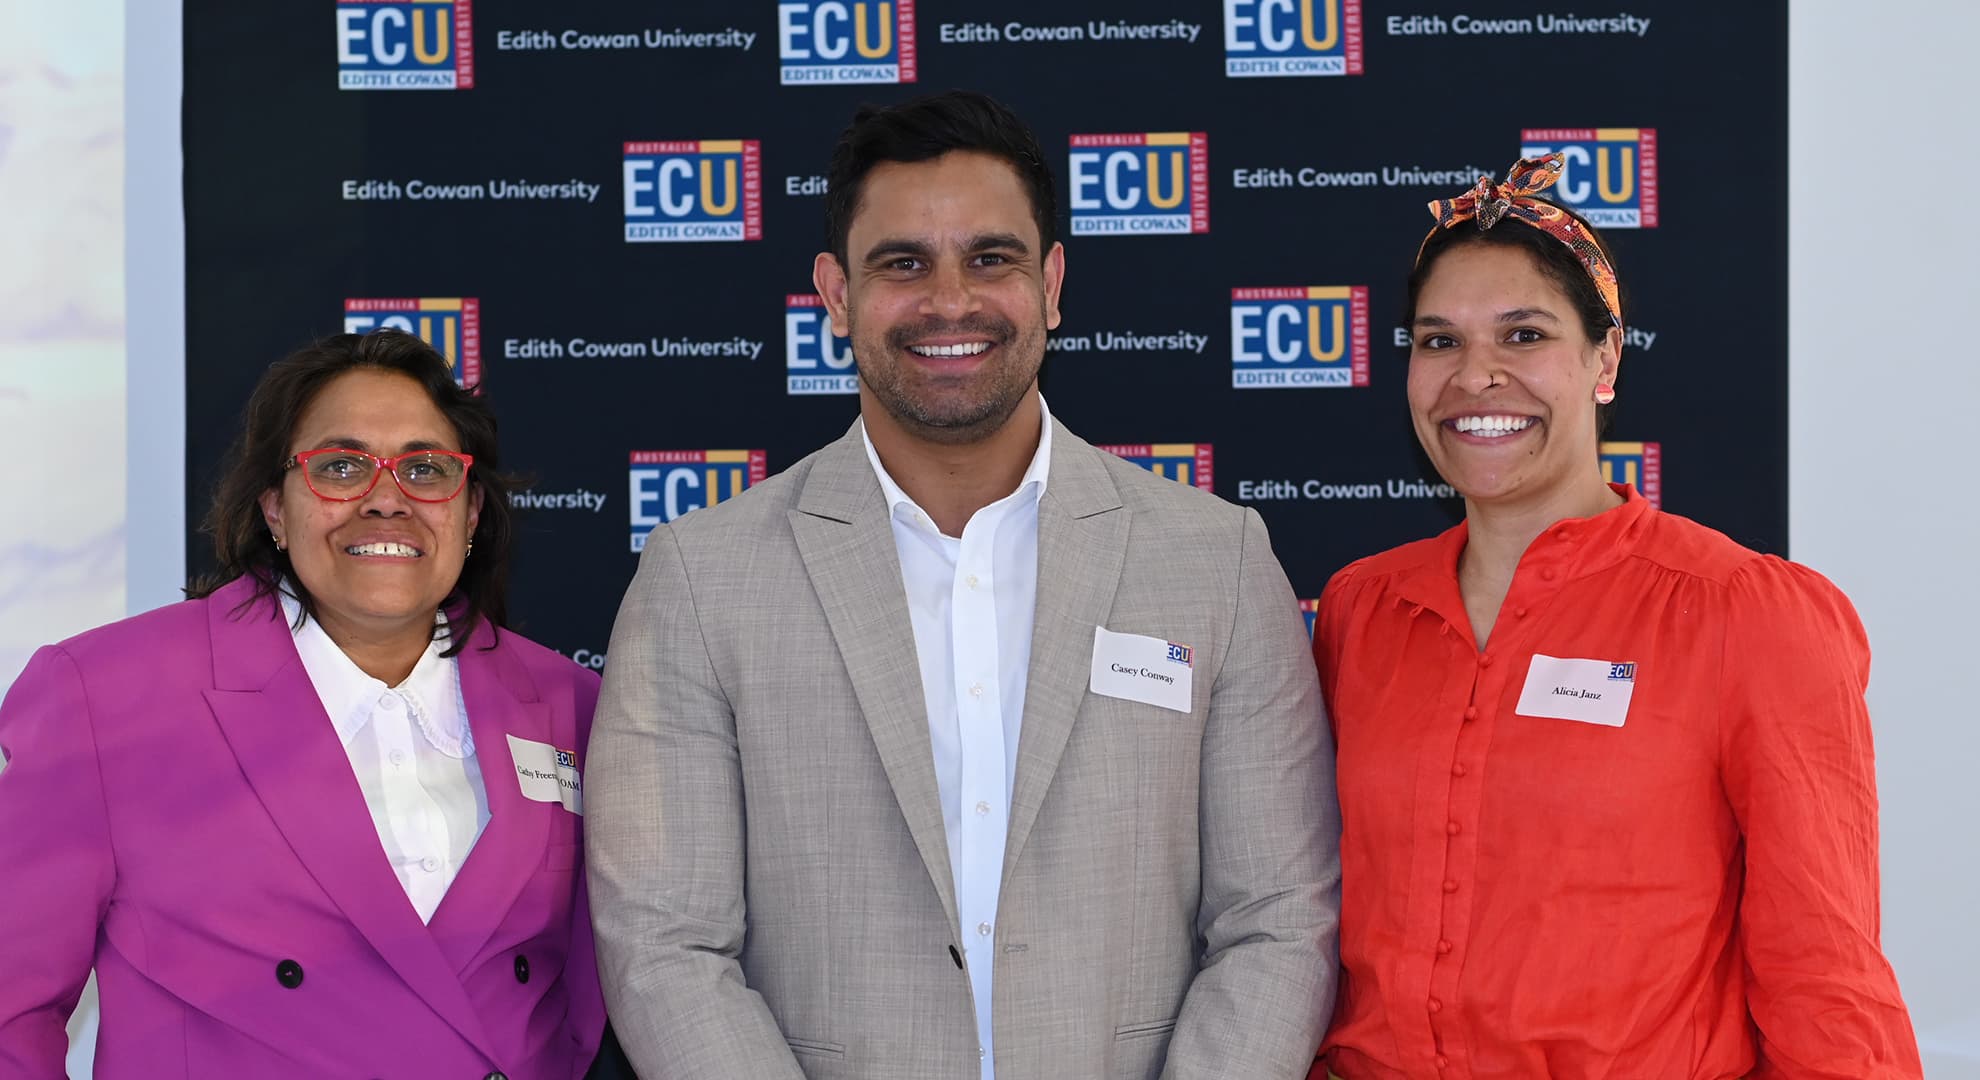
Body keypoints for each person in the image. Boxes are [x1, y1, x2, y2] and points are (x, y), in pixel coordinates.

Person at [587, 90, 1340, 1079]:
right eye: (903, 263)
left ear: (1053, 283)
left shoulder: (1216, 560)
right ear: (835, 293)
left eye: (992, 259)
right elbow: (664, 943)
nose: (951, 301)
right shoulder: (701, 578)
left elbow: (1278, 918)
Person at [1310, 156, 1922, 1078]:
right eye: (1438, 342)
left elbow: (1824, 972)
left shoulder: (1742, 614)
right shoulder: (1364, 609)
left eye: (1523, 335)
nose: (1474, 376)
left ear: (1605, 359)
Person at [0, 330, 607, 1078]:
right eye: (341, 467)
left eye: (426, 469)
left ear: (471, 512)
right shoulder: (104, 695)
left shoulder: (573, 706)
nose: (387, 500)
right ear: (275, 511)